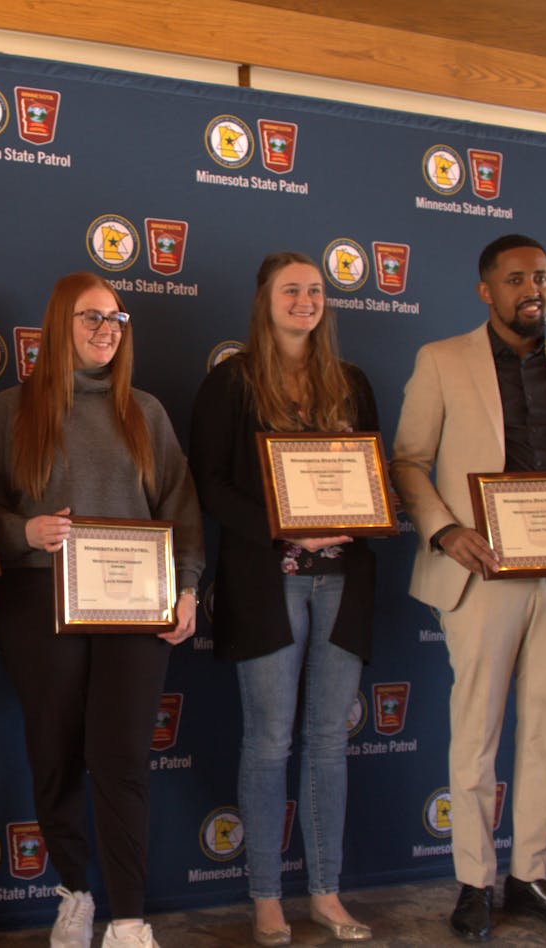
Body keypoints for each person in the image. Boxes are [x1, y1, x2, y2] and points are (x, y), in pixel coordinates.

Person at [390, 233, 546, 942]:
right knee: (477, 734)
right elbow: (408, 460)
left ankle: (529, 876)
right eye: (516, 278)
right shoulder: (441, 359)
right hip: (483, 567)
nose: (533, 289)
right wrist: (444, 532)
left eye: (542, 278)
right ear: (485, 290)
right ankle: (473, 882)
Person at [0, 272, 203, 948]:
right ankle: (75, 891)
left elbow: (180, 509)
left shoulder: (147, 412)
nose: (106, 329)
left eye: (115, 318)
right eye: (90, 317)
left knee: (123, 758)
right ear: (57, 324)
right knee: (54, 754)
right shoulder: (10, 411)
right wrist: (24, 532)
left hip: (134, 611)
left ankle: (129, 919)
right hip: (39, 603)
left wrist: (187, 586)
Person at [189, 251, 376, 946]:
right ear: (265, 301)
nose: (305, 301)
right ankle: (266, 898)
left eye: (316, 290)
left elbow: (372, 470)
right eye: (291, 290)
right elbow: (209, 484)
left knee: (329, 742)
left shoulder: (350, 382)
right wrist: (284, 527)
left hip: (344, 580)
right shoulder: (231, 382)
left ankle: (325, 892)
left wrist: (352, 519)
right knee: (269, 742)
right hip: (269, 582)